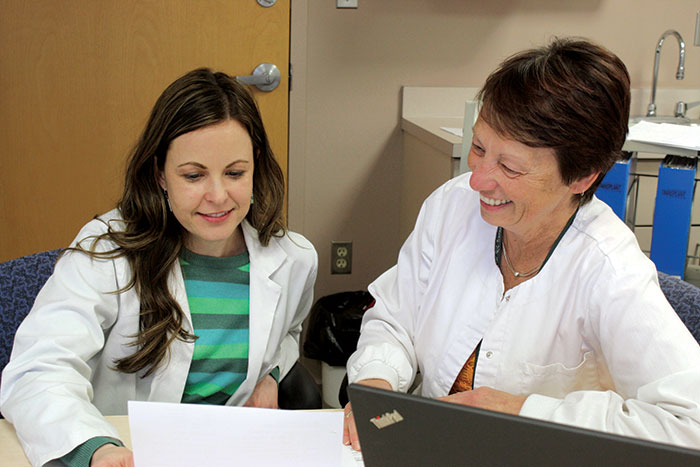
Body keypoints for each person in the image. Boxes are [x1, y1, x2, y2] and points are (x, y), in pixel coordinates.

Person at [343, 38, 700, 451]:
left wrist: (523, 412)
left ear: (582, 176)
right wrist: (376, 379)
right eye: (478, 148)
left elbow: (689, 421)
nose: (478, 180)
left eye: (509, 167)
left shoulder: (609, 270)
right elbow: (395, 319)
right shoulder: (452, 205)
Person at [0, 68, 318, 467]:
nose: (217, 196)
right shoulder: (107, 251)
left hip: (230, 452)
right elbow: (38, 370)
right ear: (160, 175)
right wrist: (95, 449)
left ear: (255, 167)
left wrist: (269, 376)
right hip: (126, 452)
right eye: (193, 175)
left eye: (235, 173)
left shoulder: (294, 259)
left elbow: (287, 330)